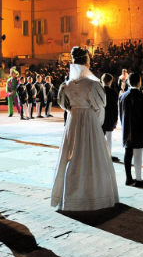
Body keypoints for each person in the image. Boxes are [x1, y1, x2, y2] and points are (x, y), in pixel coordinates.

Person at [51, 47, 119, 211]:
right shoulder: (92, 84)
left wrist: (75, 111)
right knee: (91, 155)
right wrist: (96, 122)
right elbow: (99, 106)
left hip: (73, 120)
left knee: (71, 154)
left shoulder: (66, 85)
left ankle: (70, 195)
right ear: (86, 62)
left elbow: (64, 105)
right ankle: (93, 195)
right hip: (88, 121)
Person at [119, 72, 143, 187]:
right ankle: (138, 179)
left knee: (128, 153)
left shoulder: (123, 96)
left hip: (127, 128)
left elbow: (120, 114)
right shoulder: (142, 97)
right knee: (138, 154)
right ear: (139, 82)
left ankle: (129, 178)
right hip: (138, 129)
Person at [101, 73, 119, 162]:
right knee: (109, 137)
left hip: (100, 116)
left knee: (100, 136)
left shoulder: (99, 91)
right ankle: (108, 154)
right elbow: (115, 107)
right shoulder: (113, 92)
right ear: (110, 81)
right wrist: (116, 119)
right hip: (110, 117)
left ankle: (99, 154)